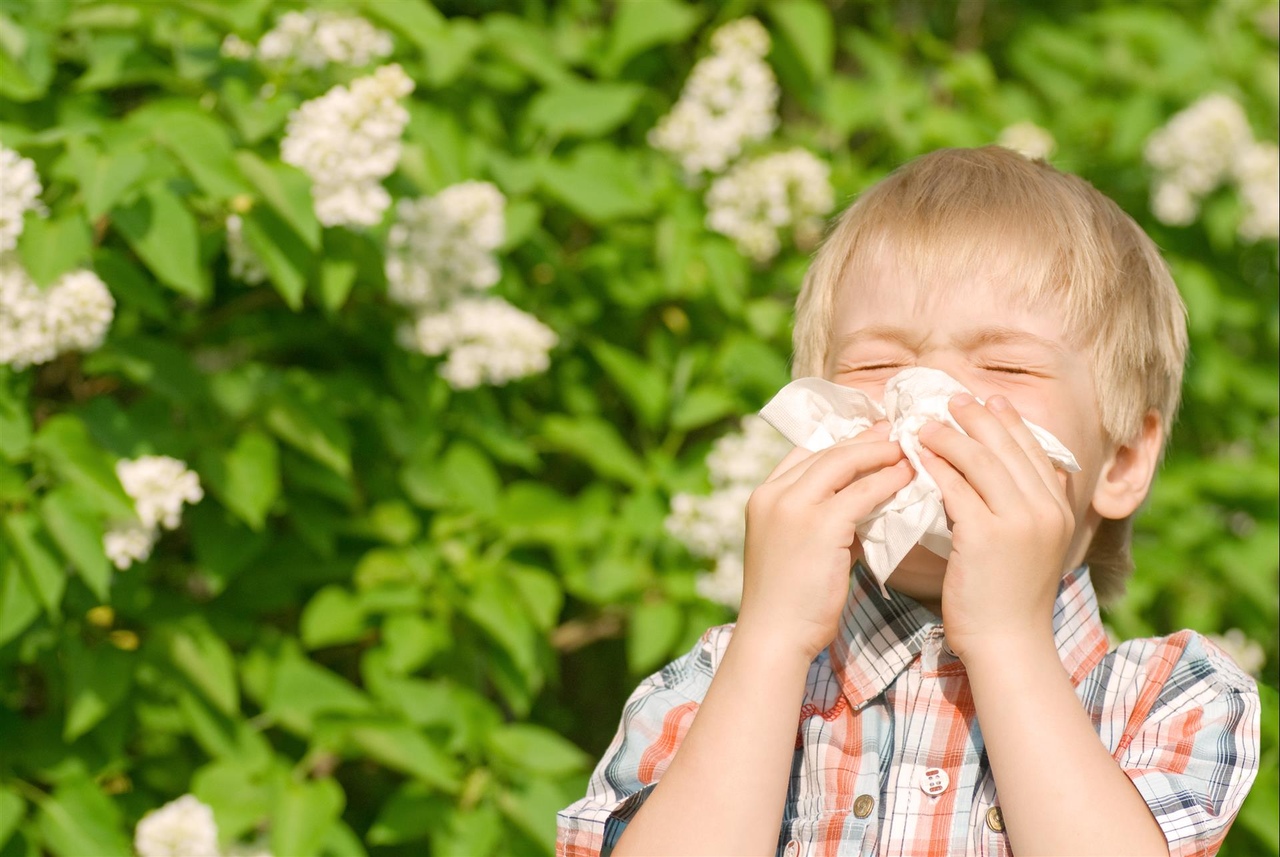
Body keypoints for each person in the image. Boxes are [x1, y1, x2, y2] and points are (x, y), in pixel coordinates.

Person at [556, 146, 1260, 857]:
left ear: (1123, 460)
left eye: (1005, 365)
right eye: (877, 363)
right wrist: (771, 637)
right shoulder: (719, 681)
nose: (923, 398)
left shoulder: (1169, 697)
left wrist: (1007, 638)